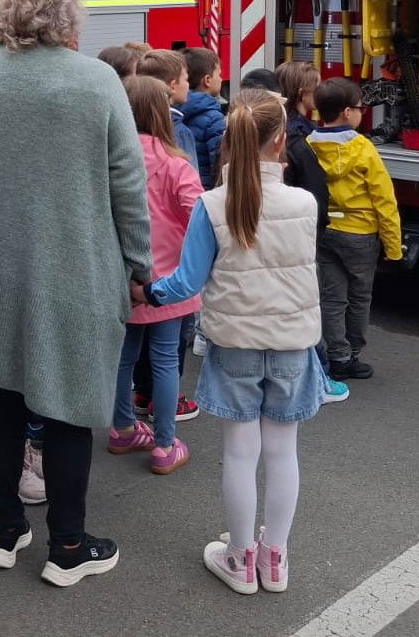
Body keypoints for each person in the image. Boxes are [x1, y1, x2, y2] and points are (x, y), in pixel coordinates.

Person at [0, 0, 151, 587]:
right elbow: (127, 182)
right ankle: (69, 548)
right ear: (69, 8)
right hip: (77, 264)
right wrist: (139, 262)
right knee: (68, 407)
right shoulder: (95, 80)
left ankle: (3, 530)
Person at [138, 90, 324, 596]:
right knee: (284, 452)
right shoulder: (304, 203)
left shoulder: (213, 205)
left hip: (235, 340)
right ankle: (276, 559)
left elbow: (186, 282)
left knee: (241, 454)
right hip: (291, 341)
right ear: (282, 140)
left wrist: (148, 291)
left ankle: (240, 558)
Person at [107, 75, 201, 474]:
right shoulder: (174, 162)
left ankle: (123, 428)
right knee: (164, 361)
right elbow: (199, 214)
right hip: (167, 282)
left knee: (122, 360)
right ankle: (164, 444)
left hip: (120, 278)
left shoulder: (109, 161)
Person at [306, 77, 402, 382]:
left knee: (333, 298)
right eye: (361, 107)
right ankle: (354, 354)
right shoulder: (363, 149)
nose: (363, 112)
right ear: (347, 112)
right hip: (359, 234)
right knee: (360, 297)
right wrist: (394, 247)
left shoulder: (308, 144)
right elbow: (384, 200)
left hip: (325, 230)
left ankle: (338, 356)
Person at [274, 63, 350, 403]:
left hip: (290, 230)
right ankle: (316, 377)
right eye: (315, 87)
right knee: (304, 305)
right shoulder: (300, 138)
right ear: (304, 94)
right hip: (300, 232)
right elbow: (311, 191)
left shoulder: (288, 129)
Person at [180, 47, 227, 190]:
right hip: (205, 192)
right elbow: (220, 164)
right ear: (207, 80)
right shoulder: (214, 118)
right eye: (219, 74)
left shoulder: (170, 110)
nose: (221, 78)